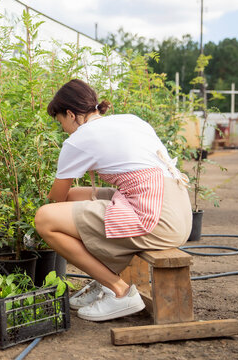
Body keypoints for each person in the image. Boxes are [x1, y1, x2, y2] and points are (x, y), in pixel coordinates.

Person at [34, 79, 192, 321]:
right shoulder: (130, 120)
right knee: (75, 197)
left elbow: (55, 198)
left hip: (157, 219)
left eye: (61, 122)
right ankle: (104, 278)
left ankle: (118, 291)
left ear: (71, 114)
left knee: (45, 218)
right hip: (178, 210)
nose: (63, 128)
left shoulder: (79, 139)